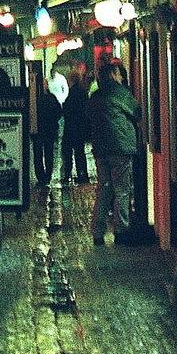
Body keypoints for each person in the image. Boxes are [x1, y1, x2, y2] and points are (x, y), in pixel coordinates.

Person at [87, 58, 141, 245]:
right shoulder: (120, 93)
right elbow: (137, 112)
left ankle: (97, 232)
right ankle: (121, 230)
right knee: (122, 190)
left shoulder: (95, 96)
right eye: (119, 73)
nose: (121, 77)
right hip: (120, 148)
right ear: (113, 75)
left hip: (101, 149)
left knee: (103, 189)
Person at [60, 64, 91, 185]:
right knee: (79, 152)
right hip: (80, 127)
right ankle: (82, 174)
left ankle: (68, 174)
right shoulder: (82, 92)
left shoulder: (73, 92)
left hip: (72, 127)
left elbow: (68, 109)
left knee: (67, 152)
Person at [32, 71, 62, 188]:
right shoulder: (51, 98)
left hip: (40, 130)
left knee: (39, 153)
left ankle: (42, 177)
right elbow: (59, 112)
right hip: (48, 129)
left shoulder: (35, 100)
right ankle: (46, 176)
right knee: (47, 153)